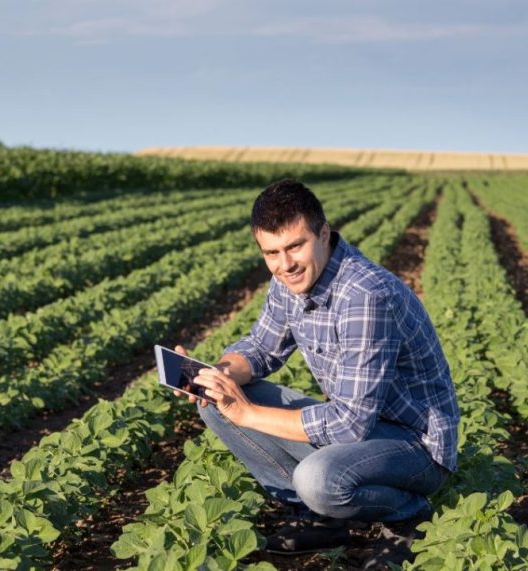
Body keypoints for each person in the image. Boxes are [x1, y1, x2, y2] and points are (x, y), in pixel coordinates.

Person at [174, 178, 459, 563]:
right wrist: (213, 374)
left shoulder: (365, 296)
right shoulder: (289, 281)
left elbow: (349, 425)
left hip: (415, 446)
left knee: (318, 479)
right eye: (271, 252)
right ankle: (321, 520)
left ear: (323, 233)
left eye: (295, 246)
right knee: (214, 402)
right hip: (364, 430)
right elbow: (260, 349)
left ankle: (408, 516)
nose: (285, 264)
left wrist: (249, 413)